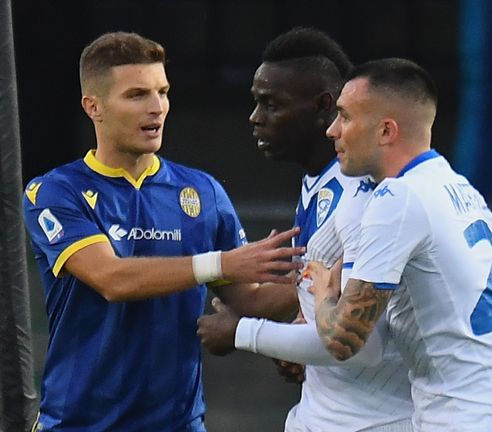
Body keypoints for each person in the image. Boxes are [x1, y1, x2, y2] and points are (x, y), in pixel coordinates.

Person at [22, 32, 303, 431]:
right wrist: (220, 263)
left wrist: (323, 280)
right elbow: (111, 278)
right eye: (136, 95)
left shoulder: (203, 192)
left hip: (178, 423)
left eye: (163, 91)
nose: (156, 108)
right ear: (93, 106)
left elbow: (249, 301)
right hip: (79, 423)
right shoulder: (55, 191)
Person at [307, 58, 492, 431]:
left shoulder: (398, 198)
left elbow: (344, 338)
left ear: (386, 131)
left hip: (466, 417)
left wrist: (323, 295)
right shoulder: (458, 187)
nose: (332, 131)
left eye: (345, 117)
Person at [195, 28, 414, 431]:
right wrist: (302, 330)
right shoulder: (320, 182)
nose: (255, 118)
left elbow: (359, 340)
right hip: (323, 414)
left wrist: (242, 331)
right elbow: (321, 295)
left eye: (271, 104)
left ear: (322, 107)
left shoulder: (362, 193)